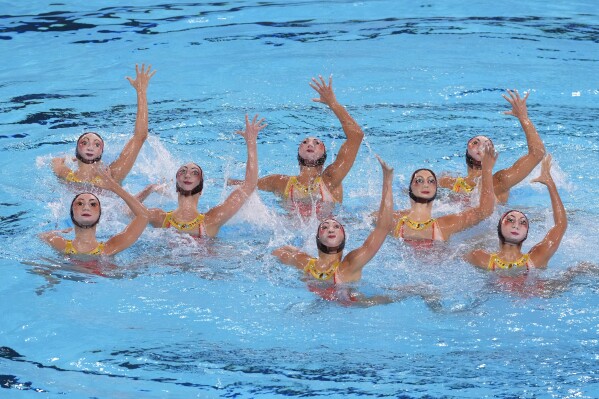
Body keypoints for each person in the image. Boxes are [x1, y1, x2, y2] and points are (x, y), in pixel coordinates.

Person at [230, 75, 364, 217]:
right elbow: (247, 185)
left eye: (316, 142)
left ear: (324, 154)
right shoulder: (280, 182)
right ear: (298, 152)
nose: (310, 143)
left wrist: (333, 103)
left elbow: (356, 136)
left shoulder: (331, 179)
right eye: (305, 142)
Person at [272, 155, 393, 298]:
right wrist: (292, 250)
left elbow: (383, 228)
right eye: (324, 227)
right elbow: (276, 253)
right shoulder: (305, 262)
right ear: (317, 238)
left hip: (358, 306)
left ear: (344, 237)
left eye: (336, 227)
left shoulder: (349, 266)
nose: (330, 229)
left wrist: (387, 180)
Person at [144, 114, 265, 238]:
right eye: (183, 171)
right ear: (176, 184)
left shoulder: (212, 220)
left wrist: (251, 143)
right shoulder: (158, 217)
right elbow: (124, 211)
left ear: (201, 189)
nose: (187, 175)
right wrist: (149, 189)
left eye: (194, 173)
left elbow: (249, 185)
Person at [51, 64, 156, 185]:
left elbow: (140, 137)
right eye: (84, 143)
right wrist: (69, 158)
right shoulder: (65, 174)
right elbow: (55, 160)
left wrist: (141, 91)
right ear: (76, 149)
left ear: (101, 152)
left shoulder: (112, 176)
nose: (90, 147)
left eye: (96, 145)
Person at [439, 89, 545, 203]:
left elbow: (538, 154)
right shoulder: (447, 182)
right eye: (476, 142)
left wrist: (523, 118)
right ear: (466, 151)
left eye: (487, 144)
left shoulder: (500, 181)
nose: (481, 145)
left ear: (493, 155)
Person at [465, 154, 567, 273]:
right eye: (510, 220)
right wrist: (486, 171)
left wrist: (550, 183)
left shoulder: (537, 258)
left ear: (526, 234)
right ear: (499, 228)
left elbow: (561, 224)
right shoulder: (480, 258)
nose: (516, 225)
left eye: (523, 222)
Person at [391, 142, 496, 245]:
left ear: (436, 190)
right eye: (419, 180)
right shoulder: (444, 225)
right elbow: (484, 211)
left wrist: (487, 170)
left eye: (431, 181)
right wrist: (487, 170)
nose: (425, 185)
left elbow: (484, 211)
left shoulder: (445, 224)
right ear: (410, 189)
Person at [40, 166, 149, 256]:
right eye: (80, 203)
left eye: (93, 204)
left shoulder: (110, 248)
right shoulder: (58, 243)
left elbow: (144, 216)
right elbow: (42, 236)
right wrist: (58, 232)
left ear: (99, 215)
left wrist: (113, 186)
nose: (86, 207)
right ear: (72, 213)